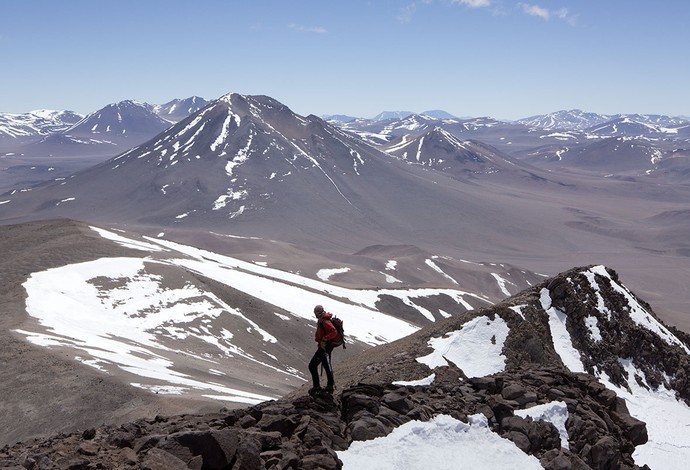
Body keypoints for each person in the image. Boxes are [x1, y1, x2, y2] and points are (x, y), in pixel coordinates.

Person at [308, 305, 339, 395]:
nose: (315, 314)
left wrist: (325, 339)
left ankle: (317, 387)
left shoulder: (325, 321)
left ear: (318, 312)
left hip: (325, 347)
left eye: (315, 313)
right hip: (324, 346)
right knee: (326, 365)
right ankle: (329, 386)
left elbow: (334, 331)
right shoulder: (323, 320)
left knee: (312, 366)